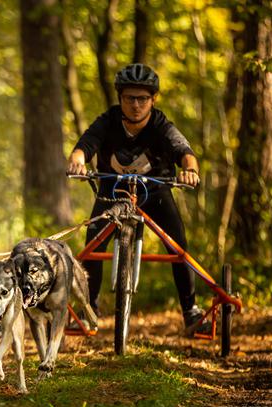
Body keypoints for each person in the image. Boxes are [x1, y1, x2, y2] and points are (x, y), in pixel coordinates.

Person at [66, 63, 209, 335]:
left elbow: (184, 151)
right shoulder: (107, 121)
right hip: (112, 193)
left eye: (143, 98)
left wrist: (190, 170)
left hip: (155, 193)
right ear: (120, 99)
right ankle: (88, 311)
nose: (136, 104)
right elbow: (83, 147)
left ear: (153, 100)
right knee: (93, 245)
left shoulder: (160, 125)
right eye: (130, 98)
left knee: (178, 247)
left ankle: (191, 312)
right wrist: (77, 163)